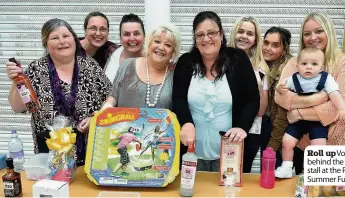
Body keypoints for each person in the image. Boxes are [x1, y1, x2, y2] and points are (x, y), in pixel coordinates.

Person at [6, 18, 111, 165]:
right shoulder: (36, 70)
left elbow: (111, 99)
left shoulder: (90, 66)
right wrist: (15, 79)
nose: (62, 41)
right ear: (46, 44)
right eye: (55, 38)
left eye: (66, 36)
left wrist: (96, 118)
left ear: (74, 40)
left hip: (89, 149)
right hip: (50, 151)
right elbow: (19, 107)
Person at [275, 12, 345, 174]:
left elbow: (338, 107)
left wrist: (297, 114)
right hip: (304, 144)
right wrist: (320, 98)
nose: (313, 37)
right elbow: (281, 97)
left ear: (329, 32)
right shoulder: (295, 63)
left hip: (343, 148)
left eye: (319, 31)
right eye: (307, 34)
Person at [172, 11, 260, 172]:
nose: (206, 39)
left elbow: (252, 99)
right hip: (191, 150)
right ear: (195, 39)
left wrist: (242, 127)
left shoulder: (238, 59)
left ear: (221, 34)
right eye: (200, 35)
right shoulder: (185, 62)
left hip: (229, 150)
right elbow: (178, 98)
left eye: (211, 33)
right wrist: (186, 123)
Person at [275, 47, 345, 178]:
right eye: (304, 64)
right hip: (298, 122)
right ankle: (286, 167)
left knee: (318, 146)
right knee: (286, 141)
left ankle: (313, 171)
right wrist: (280, 88)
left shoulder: (326, 79)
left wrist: (342, 108)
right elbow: (280, 89)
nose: (308, 67)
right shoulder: (293, 79)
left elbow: (335, 94)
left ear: (322, 67)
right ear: (297, 66)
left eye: (314, 64)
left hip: (317, 121)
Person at [101, 24, 181, 110]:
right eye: (157, 41)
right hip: (124, 123)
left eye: (168, 45)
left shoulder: (176, 74)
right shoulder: (127, 65)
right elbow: (113, 96)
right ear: (149, 44)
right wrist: (106, 108)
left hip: (160, 124)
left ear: (173, 52)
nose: (161, 47)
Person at [228, 16, 269, 173]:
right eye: (240, 31)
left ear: (255, 39)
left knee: (242, 173)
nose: (244, 36)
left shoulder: (261, 67)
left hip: (251, 131)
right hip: (224, 126)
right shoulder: (221, 60)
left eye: (250, 33)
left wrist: (258, 83)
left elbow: (261, 110)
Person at [105, 13, 145, 83]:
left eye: (136, 34)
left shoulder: (153, 55)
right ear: (120, 38)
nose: (132, 38)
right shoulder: (114, 57)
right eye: (127, 34)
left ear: (144, 36)